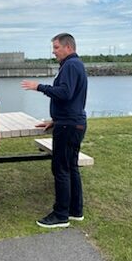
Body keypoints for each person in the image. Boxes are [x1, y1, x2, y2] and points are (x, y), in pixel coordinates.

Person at [21, 33, 87, 228]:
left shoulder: (71, 65)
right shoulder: (73, 65)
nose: (53, 51)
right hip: (68, 122)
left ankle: (60, 215)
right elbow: (72, 97)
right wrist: (54, 121)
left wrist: (38, 86)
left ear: (68, 47)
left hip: (68, 125)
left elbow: (65, 93)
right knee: (71, 167)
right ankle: (75, 210)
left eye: (56, 47)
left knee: (61, 169)